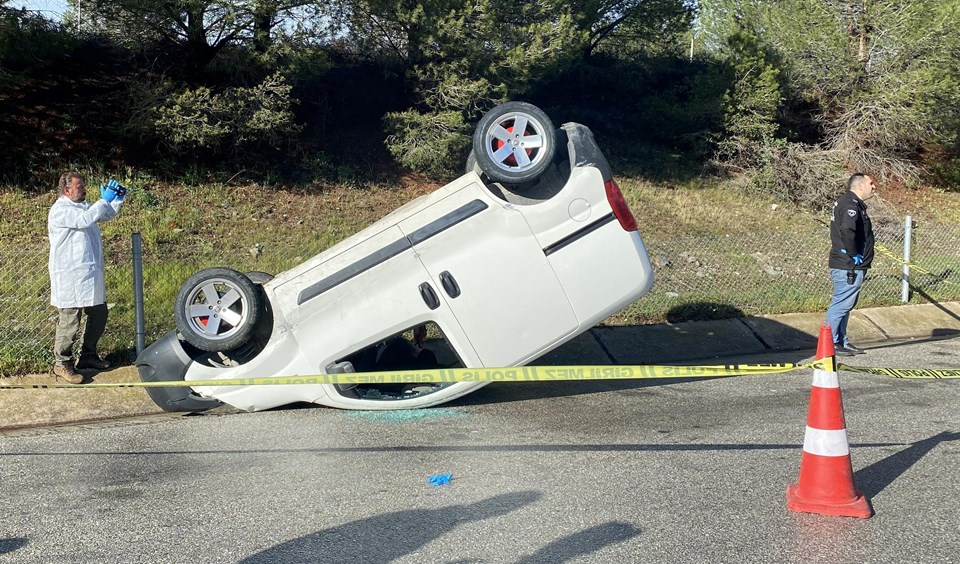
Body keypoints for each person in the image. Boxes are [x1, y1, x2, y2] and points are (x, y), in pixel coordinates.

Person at [48, 172, 127, 383]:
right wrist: (104, 200)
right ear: (67, 190)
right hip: (69, 275)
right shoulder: (61, 210)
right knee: (70, 321)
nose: (84, 189)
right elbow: (85, 220)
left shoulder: (82, 206)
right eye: (80, 186)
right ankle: (62, 364)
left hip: (88, 274)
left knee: (99, 313)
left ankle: (88, 356)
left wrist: (117, 199)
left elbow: (102, 215)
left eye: (83, 186)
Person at [826, 172, 876, 356]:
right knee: (841, 304)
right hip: (848, 265)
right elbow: (848, 230)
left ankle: (841, 341)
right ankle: (829, 342)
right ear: (859, 185)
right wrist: (853, 253)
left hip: (850, 264)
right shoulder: (850, 204)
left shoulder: (851, 203)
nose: (873, 186)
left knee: (846, 304)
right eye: (870, 183)